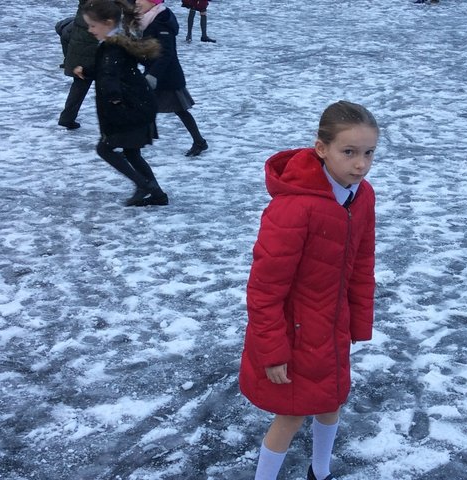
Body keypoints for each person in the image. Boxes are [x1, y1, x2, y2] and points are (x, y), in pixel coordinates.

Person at [239, 101, 378, 480]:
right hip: (295, 332)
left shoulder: (362, 196)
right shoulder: (293, 209)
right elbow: (265, 289)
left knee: (332, 400)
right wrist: (273, 350)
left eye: (369, 153)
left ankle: (320, 470)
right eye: (348, 152)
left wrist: (357, 322)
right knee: (293, 412)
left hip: (333, 326)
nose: (360, 164)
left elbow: (363, 264)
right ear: (322, 148)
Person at [75, 0, 169, 206]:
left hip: (129, 108)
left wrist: (114, 101)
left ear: (108, 22)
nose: (90, 30)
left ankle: (144, 185)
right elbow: (109, 69)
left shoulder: (112, 47)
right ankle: (157, 195)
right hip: (139, 104)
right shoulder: (119, 41)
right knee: (131, 151)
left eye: (92, 25)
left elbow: (109, 76)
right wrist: (87, 71)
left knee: (105, 149)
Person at [136, 0, 209, 156]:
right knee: (144, 107)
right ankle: (135, 144)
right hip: (155, 73)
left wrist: (152, 76)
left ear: (153, 3)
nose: (136, 2)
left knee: (180, 110)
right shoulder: (148, 19)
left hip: (166, 77)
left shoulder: (161, 22)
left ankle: (199, 142)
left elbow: (166, 54)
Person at [58, 1, 99, 130]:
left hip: (79, 43)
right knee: (110, 82)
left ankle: (67, 117)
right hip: (95, 43)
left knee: (80, 83)